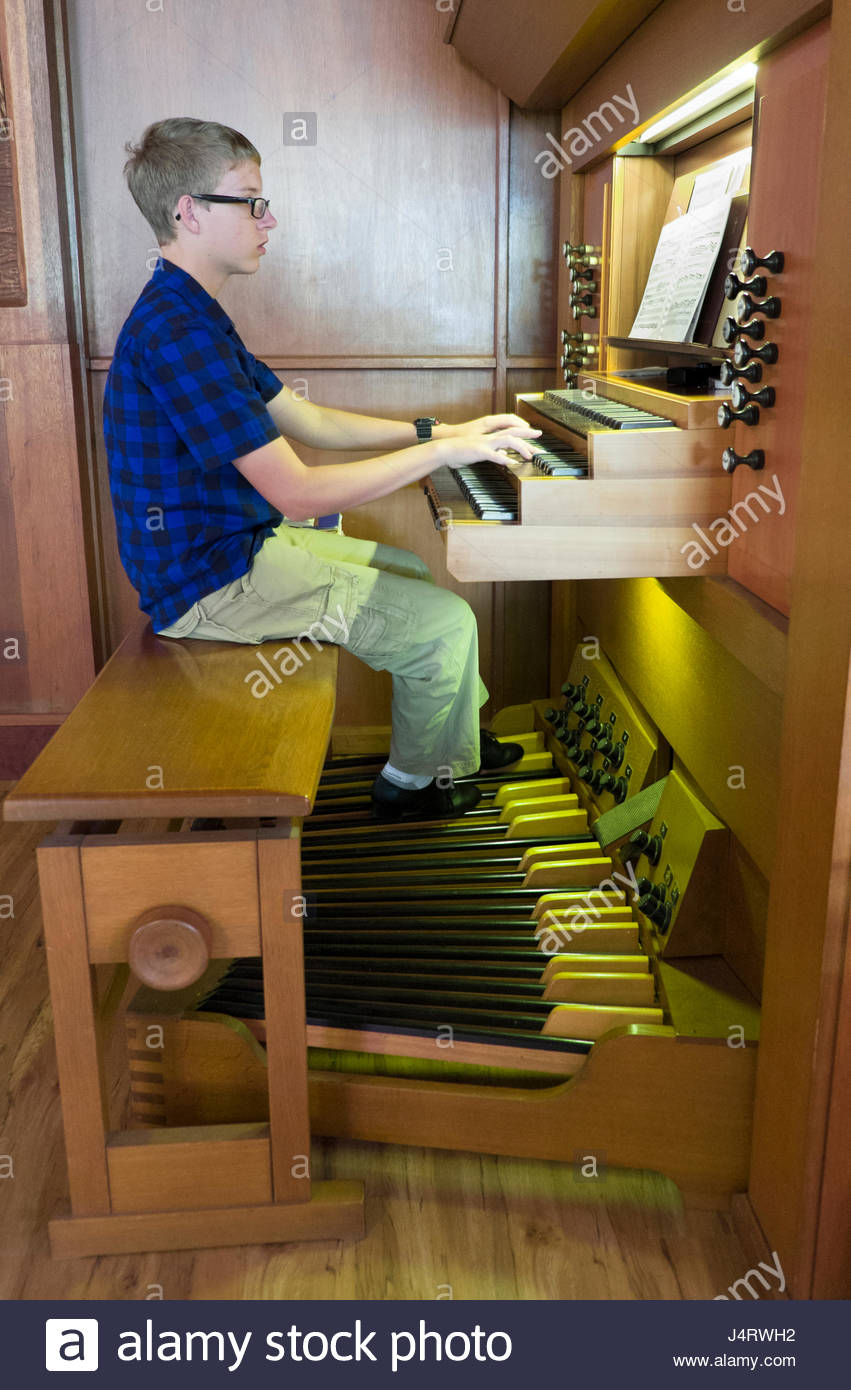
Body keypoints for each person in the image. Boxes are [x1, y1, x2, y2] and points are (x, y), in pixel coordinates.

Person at [104, 117, 542, 820]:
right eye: (249, 200)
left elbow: (308, 421)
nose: (268, 218)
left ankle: (449, 740)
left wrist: (440, 429)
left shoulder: (192, 313)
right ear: (187, 212)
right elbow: (297, 493)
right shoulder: (176, 332)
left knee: (412, 574)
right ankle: (414, 788)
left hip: (230, 549)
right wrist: (439, 455)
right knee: (445, 624)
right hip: (209, 583)